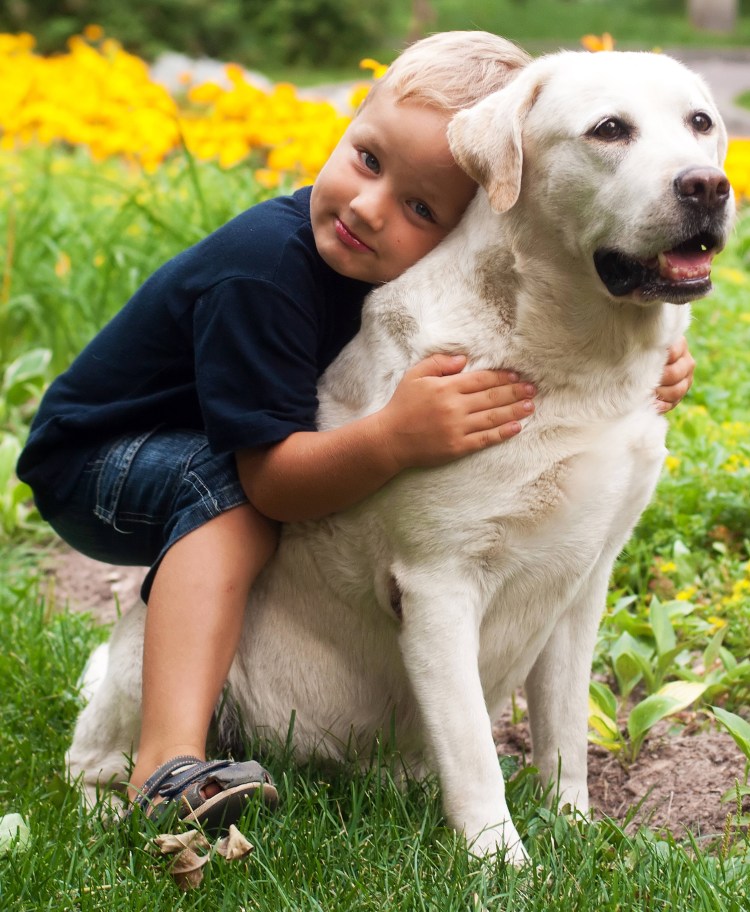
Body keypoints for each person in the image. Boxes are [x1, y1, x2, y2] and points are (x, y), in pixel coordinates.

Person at [16, 31, 695, 833]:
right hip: (95, 455)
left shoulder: (394, 266)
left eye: (419, 209)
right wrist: (395, 439)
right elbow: (273, 481)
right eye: (366, 160)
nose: (372, 209)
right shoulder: (263, 267)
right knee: (225, 490)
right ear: (345, 127)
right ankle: (162, 763)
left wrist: (649, 346)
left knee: (231, 477)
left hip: (225, 435)